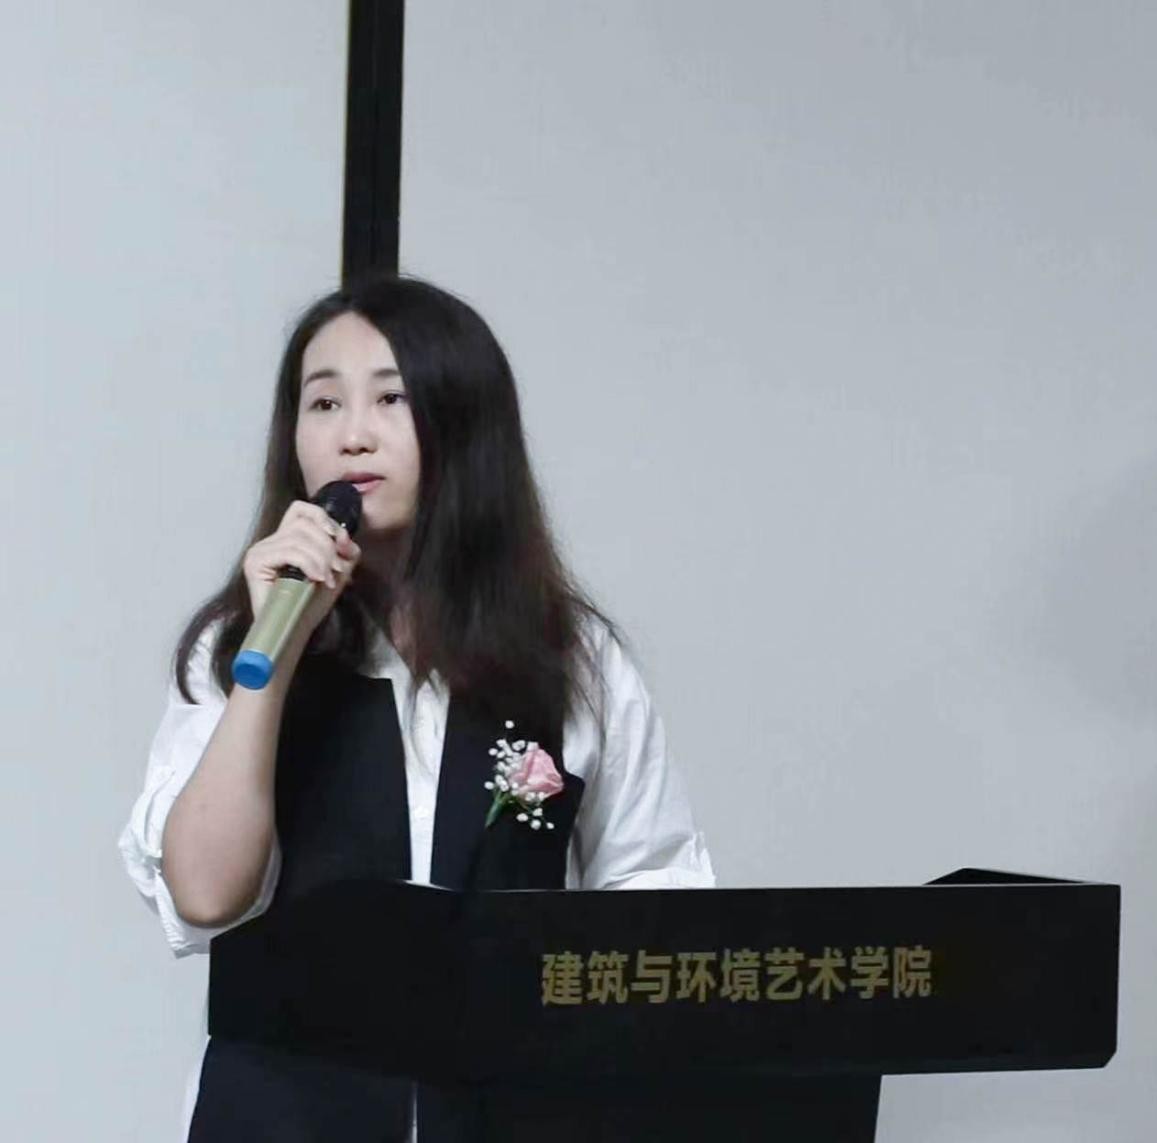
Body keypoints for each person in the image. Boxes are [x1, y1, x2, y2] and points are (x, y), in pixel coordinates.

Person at [117, 274, 717, 1142]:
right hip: (278, 1115)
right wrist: (274, 657)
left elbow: (655, 893)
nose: (352, 434)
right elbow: (205, 894)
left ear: (463, 419)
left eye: (390, 399)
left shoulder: (570, 658)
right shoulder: (239, 643)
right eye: (323, 403)